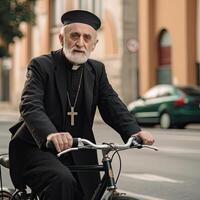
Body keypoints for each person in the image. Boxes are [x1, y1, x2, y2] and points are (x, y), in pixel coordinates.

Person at [9, 10, 155, 200]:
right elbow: (30, 104)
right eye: (74, 35)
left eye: (87, 38)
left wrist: (134, 131)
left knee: (90, 192)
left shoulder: (97, 70)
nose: (80, 43)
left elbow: (111, 103)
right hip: (37, 148)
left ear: (94, 44)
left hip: (79, 150)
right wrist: (50, 134)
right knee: (62, 181)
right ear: (61, 38)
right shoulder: (41, 65)